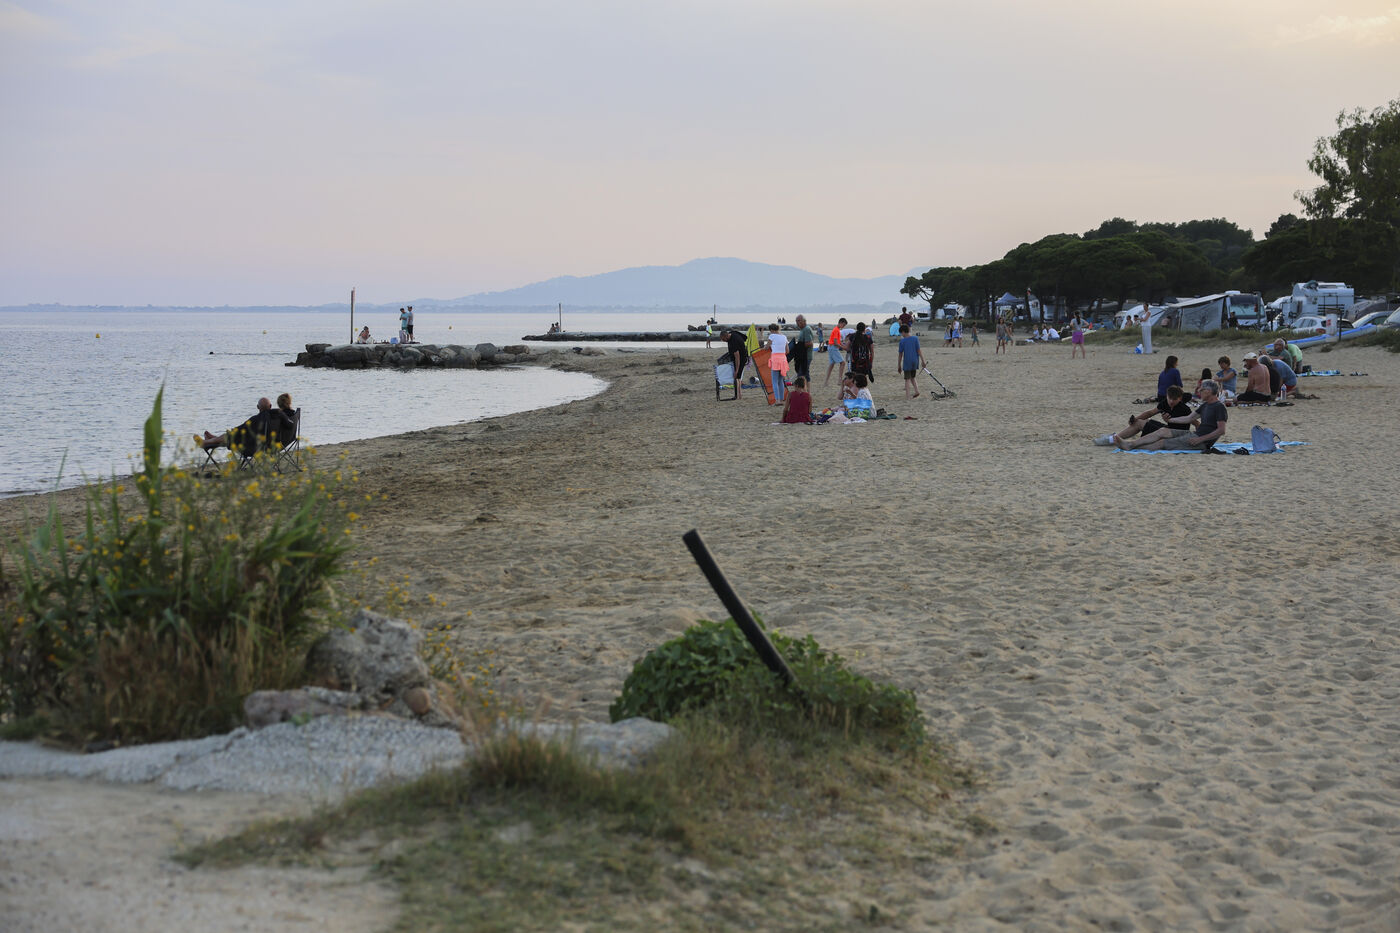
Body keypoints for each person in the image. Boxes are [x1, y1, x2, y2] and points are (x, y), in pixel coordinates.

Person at [1116, 380, 1227, 451]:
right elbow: (1189, 418)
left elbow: (1221, 430)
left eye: (1201, 390)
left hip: (1202, 442)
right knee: (1162, 431)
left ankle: (1130, 446)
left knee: (1161, 443)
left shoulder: (1219, 407)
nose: (1199, 392)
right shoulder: (1205, 405)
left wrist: (1200, 439)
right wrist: (1170, 420)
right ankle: (1131, 444)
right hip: (1194, 434)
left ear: (1208, 391)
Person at [1093, 386, 1193, 447]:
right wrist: (1136, 418)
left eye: (1174, 399)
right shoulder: (1165, 403)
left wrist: (1198, 438)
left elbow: (1195, 422)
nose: (1171, 401)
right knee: (1139, 421)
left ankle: (1112, 439)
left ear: (1180, 398)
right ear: (1166, 396)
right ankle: (1114, 437)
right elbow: (1150, 413)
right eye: (1169, 398)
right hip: (1166, 430)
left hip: (1174, 435)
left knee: (1143, 423)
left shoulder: (1184, 409)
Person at [197, 397, 293, 456]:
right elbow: (290, 424)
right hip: (274, 444)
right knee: (231, 437)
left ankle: (206, 442)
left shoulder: (256, 419)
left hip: (254, 448)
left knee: (230, 436)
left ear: (258, 407)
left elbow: (237, 430)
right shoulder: (277, 415)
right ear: (270, 406)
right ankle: (213, 439)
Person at [896, 323, 925, 400]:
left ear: (903, 332)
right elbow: (919, 351)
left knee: (907, 379)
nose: (901, 335)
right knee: (913, 377)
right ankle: (916, 391)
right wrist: (923, 361)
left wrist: (899, 365)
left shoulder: (902, 341)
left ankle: (908, 396)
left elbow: (900, 354)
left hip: (907, 362)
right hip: (915, 361)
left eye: (901, 333)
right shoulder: (915, 338)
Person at [722, 328, 749, 399]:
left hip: (741, 358)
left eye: (723, 339)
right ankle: (738, 395)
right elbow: (745, 337)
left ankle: (738, 395)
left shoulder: (734, 342)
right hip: (739, 355)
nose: (723, 341)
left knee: (737, 376)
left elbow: (737, 357)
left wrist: (736, 370)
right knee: (737, 376)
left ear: (726, 336)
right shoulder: (732, 332)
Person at [766, 323, 789, 403]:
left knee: (774, 381)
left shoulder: (772, 336)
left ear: (772, 330)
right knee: (781, 381)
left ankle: (777, 400)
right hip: (783, 359)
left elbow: (766, 347)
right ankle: (782, 399)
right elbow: (787, 351)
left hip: (775, 359)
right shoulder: (784, 337)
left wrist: (765, 348)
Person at [824, 316, 848, 385]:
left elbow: (838, 342)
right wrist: (843, 347)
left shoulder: (837, 330)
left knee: (831, 364)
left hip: (831, 347)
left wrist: (844, 346)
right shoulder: (836, 330)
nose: (843, 327)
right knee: (843, 363)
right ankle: (839, 380)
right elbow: (835, 342)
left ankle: (826, 381)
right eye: (843, 325)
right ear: (841, 323)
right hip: (833, 348)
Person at [793, 314, 814, 383]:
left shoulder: (806, 329)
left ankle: (804, 389)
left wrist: (799, 346)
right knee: (805, 374)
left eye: (799, 321)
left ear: (804, 321)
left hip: (806, 356)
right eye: (796, 321)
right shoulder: (802, 330)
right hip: (802, 356)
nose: (797, 323)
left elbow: (810, 343)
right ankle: (807, 389)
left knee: (801, 374)